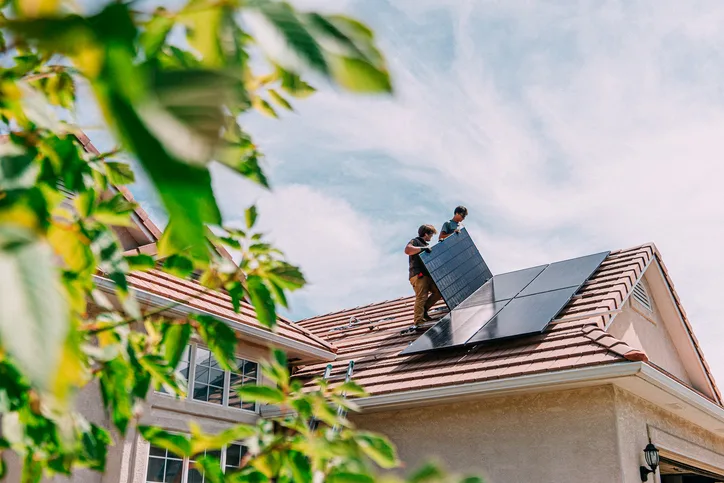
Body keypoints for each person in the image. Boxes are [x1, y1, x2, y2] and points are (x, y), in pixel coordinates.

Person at [404, 224, 442, 326]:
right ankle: (418, 320)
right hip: (418, 275)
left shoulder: (425, 246)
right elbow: (407, 250)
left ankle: (423, 311)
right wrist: (422, 249)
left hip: (427, 276)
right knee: (421, 296)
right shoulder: (415, 241)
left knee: (438, 292)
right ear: (426, 234)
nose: (431, 237)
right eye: (431, 234)